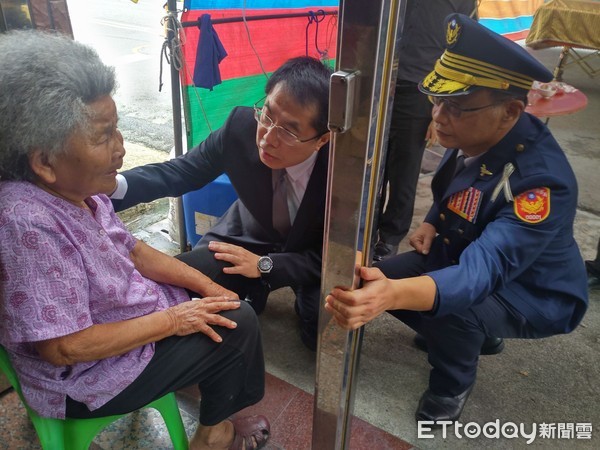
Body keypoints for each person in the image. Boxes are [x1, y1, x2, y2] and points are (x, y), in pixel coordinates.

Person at [0, 30, 270, 450]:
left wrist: (207, 287)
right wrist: (175, 320)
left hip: (117, 313)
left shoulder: (81, 189)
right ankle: (214, 434)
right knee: (238, 325)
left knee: (216, 263)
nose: (120, 149)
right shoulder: (26, 224)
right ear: (44, 162)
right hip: (85, 378)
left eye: (117, 128)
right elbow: (64, 348)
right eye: (102, 136)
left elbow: (133, 249)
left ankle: (209, 378)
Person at [325, 14, 589, 424]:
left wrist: (395, 294)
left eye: (456, 106)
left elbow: (483, 271)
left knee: (447, 308)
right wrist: (432, 220)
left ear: (511, 110)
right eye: (437, 100)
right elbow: (457, 177)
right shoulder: (473, 129)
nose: (439, 116)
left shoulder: (541, 186)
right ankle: (475, 336)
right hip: (463, 249)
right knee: (373, 279)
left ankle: (453, 382)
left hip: (534, 290)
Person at [111, 57, 332, 351]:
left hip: (314, 252)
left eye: (289, 131)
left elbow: (343, 255)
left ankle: (267, 283)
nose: (268, 138)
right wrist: (107, 188)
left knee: (323, 330)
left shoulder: (346, 171)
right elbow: (180, 172)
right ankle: (254, 288)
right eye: (267, 115)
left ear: (322, 139)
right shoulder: (240, 128)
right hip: (253, 230)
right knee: (185, 284)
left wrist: (266, 266)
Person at [373, 0, 477, 262]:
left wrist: (439, 106)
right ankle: (365, 227)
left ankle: (389, 238)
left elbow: (463, 54)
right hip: (378, 79)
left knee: (403, 171)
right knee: (371, 164)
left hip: (421, 90)